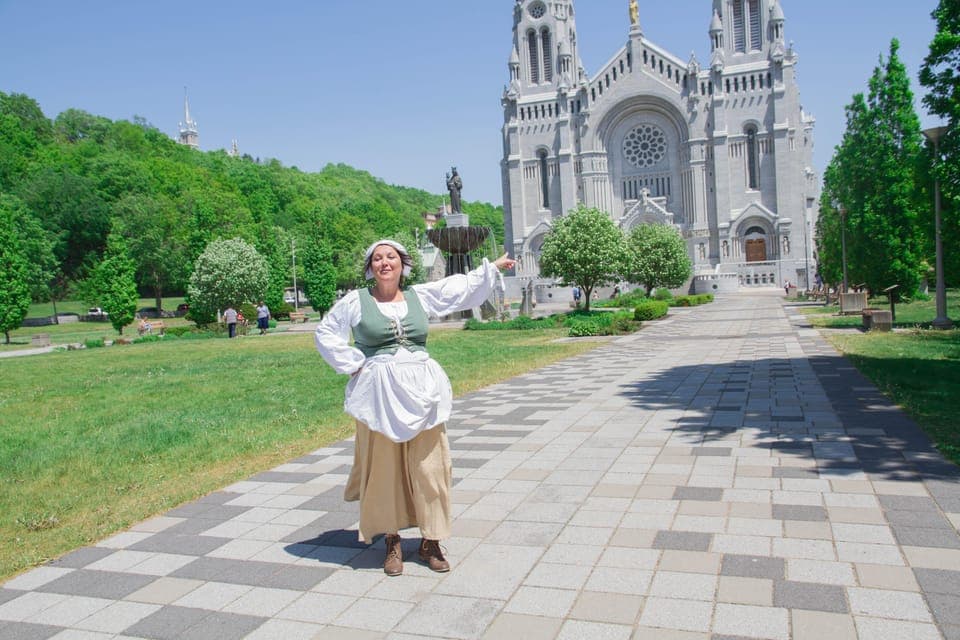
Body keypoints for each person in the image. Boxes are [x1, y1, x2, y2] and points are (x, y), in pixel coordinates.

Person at [315, 240, 515, 576]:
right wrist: (354, 364)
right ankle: (391, 541)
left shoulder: (419, 297)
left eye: (390, 257)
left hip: (423, 393)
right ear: (370, 268)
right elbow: (325, 332)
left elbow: (456, 288)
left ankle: (431, 540)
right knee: (385, 471)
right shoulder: (356, 301)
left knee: (431, 469)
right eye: (377, 259)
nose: (384, 263)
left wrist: (491, 267)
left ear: (402, 264)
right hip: (379, 397)